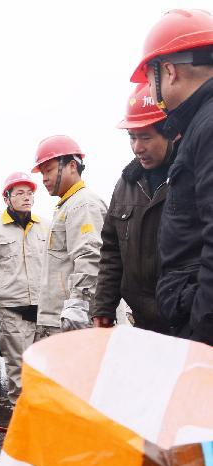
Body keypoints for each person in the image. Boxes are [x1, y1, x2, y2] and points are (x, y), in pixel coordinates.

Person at [130, 9, 213, 344]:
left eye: (150, 78)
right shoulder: (199, 126)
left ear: (169, 71)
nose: (150, 87)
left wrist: (202, 336)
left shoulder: (207, 128)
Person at [92, 84, 176, 333]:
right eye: (132, 137)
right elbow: (112, 253)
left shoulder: (189, 179)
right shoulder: (125, 186)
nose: (137, 147)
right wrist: (104, 308)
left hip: (185, 322)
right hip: (141, 322)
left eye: (146, 137)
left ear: (170, 133)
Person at [0, 172, 46, 403]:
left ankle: (43, 423)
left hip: (44, 310)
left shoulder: (45, 226)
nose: (27, 198)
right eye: (20, 193)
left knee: (45, 370)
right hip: (13, 312)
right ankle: (21, 424)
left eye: (30, 193)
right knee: (19, 370)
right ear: (7, 198)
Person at [31, 135, 107, 340]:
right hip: (59, 319)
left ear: (72, 166)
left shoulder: (83, 204)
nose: (44, 178)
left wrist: (79, 304)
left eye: (49, 170)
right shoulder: (68, 205)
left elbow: (89, 256)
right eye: (42, 173)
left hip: (72, 321)